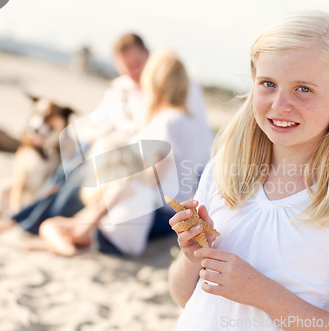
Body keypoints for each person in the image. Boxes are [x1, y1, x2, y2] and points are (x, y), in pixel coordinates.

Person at [168, 10, 329, 330]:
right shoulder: (224, 173)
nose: (280, 104)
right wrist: (192, 258)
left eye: (303, 89)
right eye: (268, 83)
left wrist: (264, 294)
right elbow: (183, 297)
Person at [39, 48, 212, 257]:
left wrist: (98, 210)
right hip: (176, 213)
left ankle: (70, 243)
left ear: (155, 82)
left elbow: (151, 177)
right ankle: (71, 238)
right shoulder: (191, 122)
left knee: (51, 225)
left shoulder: (167, 120)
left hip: (157, 212)